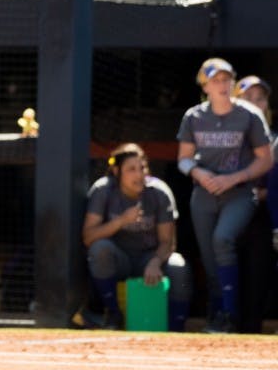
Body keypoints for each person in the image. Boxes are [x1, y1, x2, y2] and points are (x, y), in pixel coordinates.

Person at [177, 58, 273, 333]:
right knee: (209, 259)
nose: (222, 84)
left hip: (239, 193)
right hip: (204, 193)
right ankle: (217, 314)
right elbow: (183, 158)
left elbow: (265, 160)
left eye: (226, 79)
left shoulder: (249, 115)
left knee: (223, 240)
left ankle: (230, 315)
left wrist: (234, 177)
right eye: (216, 80)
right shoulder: (194, 116)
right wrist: (197, 172)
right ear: (205, 85)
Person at [79, 143, 193, 331]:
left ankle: (176, 329)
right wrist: (121, 221)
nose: (139, 175)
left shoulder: (159, 192)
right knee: (100, 249)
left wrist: (156, 261)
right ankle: (113, 315)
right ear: (117, 171)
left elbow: (168, 242)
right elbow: (88, 237)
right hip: (119, 261)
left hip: (148, 259)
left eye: (142, 168)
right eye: (131, 169)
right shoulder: (103, 191)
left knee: (179, 266)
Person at [233, 75, 278, 333]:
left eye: (259, 98)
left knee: (258, 276)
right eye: (247, 98)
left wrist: (265, 193)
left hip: (263, 219)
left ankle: (251, 331)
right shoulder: (227, 137)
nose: (254, 103)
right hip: (228, 213)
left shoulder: (274, 140)